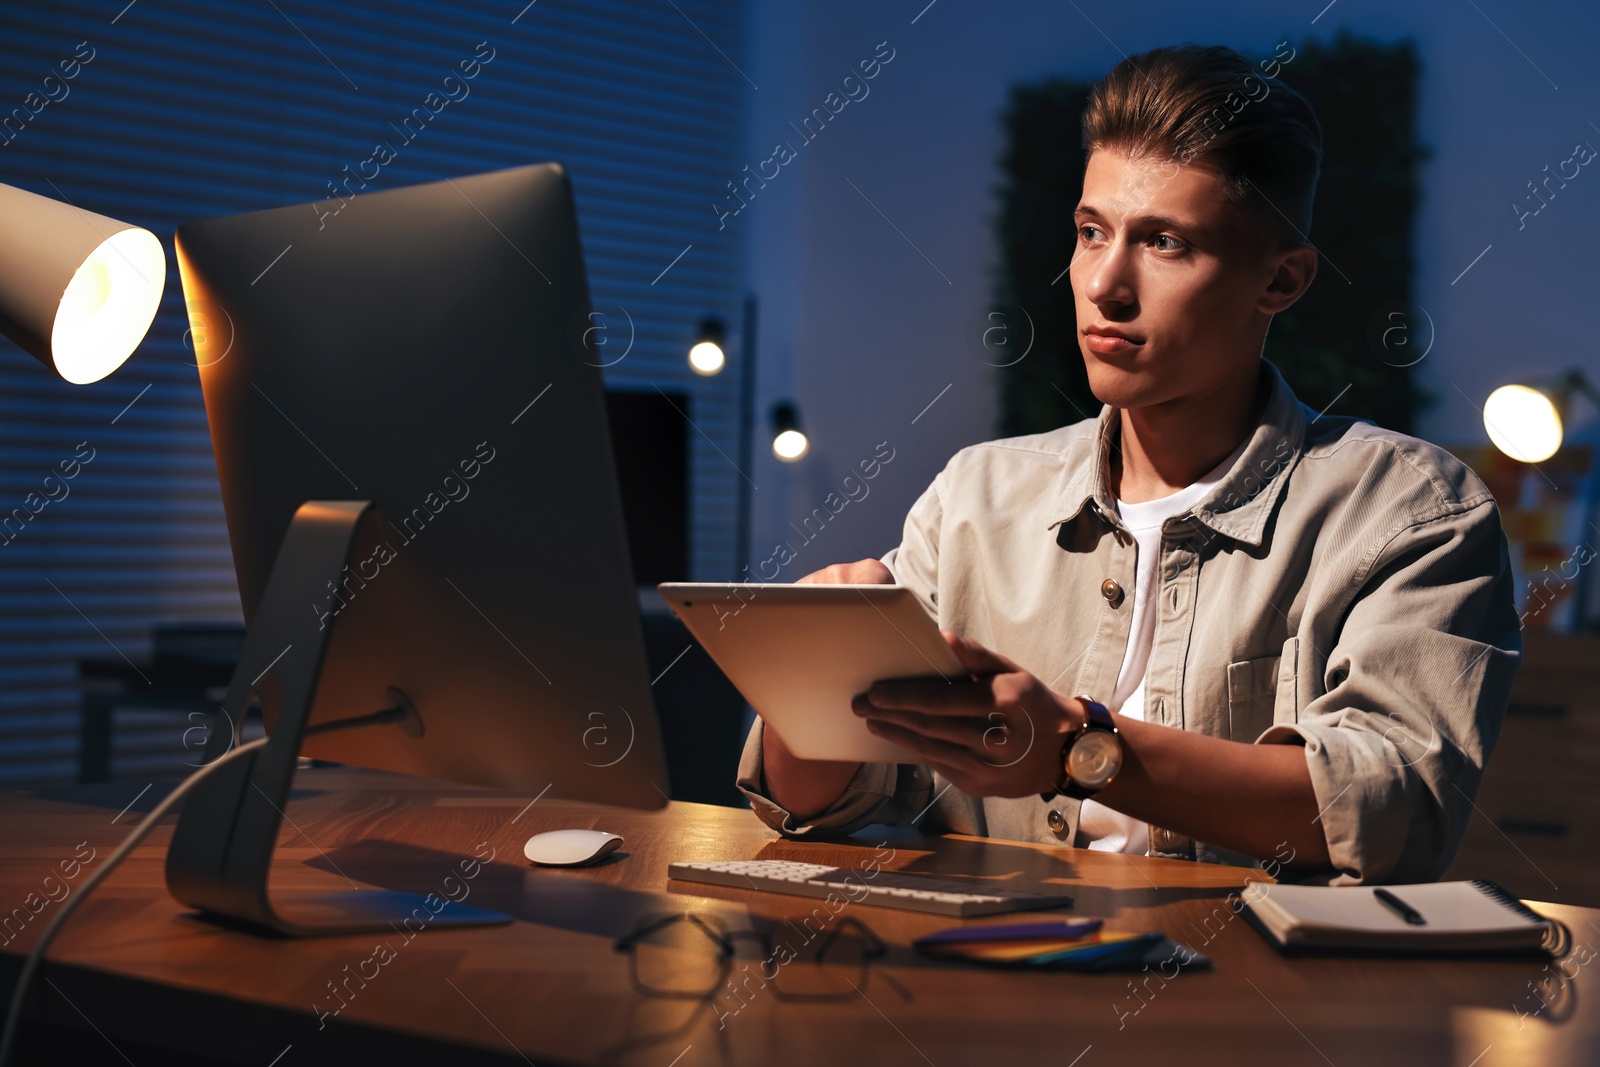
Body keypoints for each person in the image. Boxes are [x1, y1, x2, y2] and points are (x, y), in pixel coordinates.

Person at [735, 43, 1521, 885]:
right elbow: (815, 809)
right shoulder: (976, 496)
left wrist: (1076, 747)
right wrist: (812, 688)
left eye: (1166, 243)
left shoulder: (1410, 509)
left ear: (1282, 280)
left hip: (1258, 1002)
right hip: (984, 982)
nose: (1105, 282)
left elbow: (1392, 808)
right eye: (1089, 232)